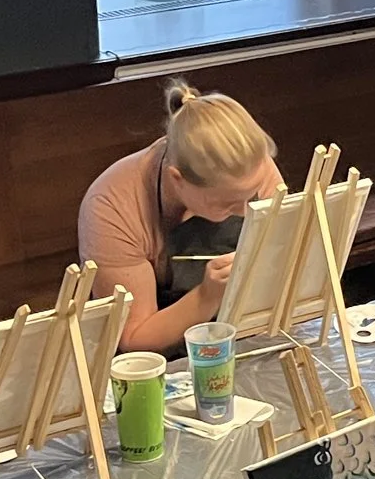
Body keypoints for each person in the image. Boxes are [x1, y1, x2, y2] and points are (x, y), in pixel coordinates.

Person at [77, 82, 284, 354]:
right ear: (178, 179)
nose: (246, 211)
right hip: (162, 360)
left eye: (252, 195)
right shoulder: (112, 205)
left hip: (248, 336)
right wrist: (207, 295)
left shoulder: (250, 165)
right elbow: (131, 339)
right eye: (228, 203)